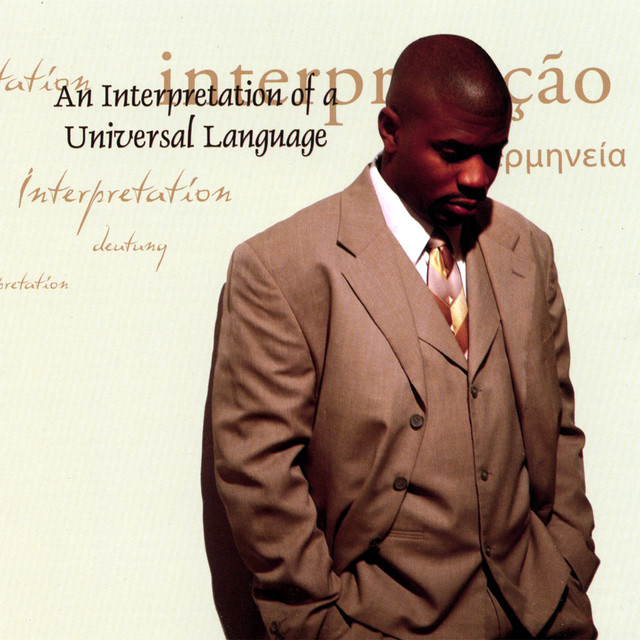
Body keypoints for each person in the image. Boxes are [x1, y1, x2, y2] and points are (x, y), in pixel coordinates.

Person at [210, 35, 598, 639]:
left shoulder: (527, 249)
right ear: (390, 130)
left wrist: (568, 570)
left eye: (493, 154)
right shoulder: (284, 266)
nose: (477, 177)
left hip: (543, 618)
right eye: (453, 152)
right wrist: (323, 626)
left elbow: (558, 430)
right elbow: (259, 473)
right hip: (376, 625)